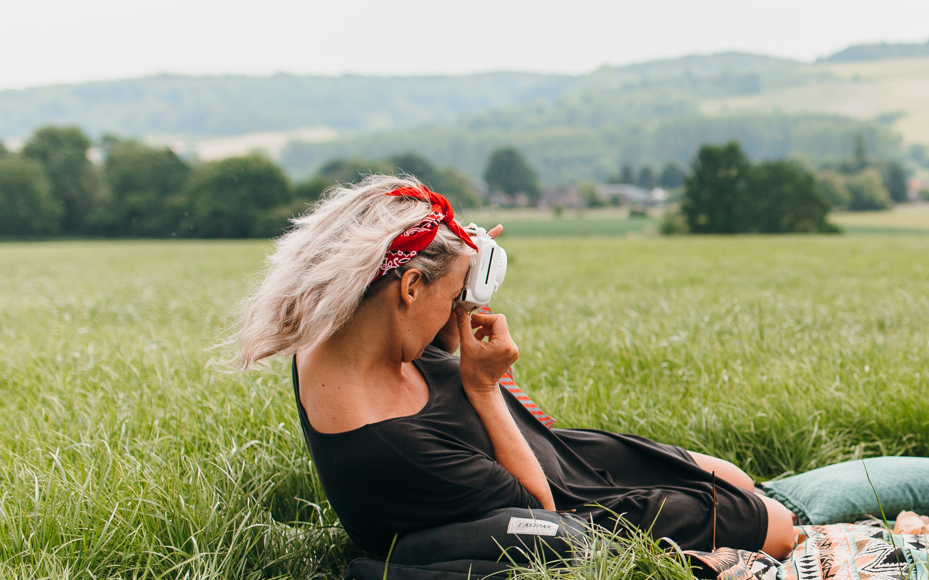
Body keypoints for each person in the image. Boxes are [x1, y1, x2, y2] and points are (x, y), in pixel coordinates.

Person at [227, 176, 797, 558]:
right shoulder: (391, 447)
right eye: (451, 297)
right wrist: (483, 384)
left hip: (565, 454)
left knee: (739, 479)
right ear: (408, 286)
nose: (461, 311)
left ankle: (859, 487)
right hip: (567, 504)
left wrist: (459, 271)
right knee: (776, 524)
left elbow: (422, 328)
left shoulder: (344, 331)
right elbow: (541, 511)